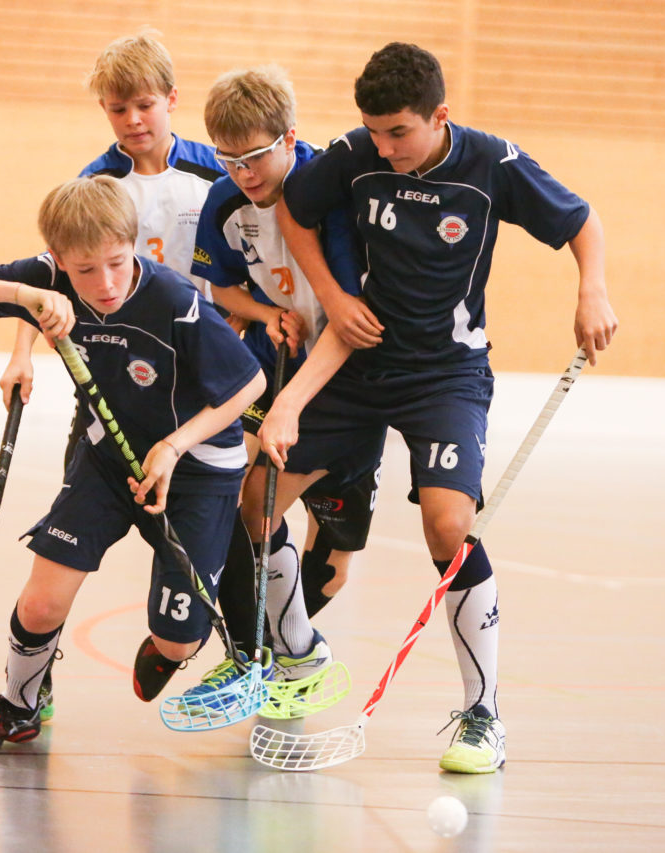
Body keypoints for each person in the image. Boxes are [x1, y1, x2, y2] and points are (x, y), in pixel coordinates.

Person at [256, 42, 618, 773]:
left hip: (444, 373)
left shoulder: (492, 166)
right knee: (256, 499)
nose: (383, 148)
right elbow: (295, 212)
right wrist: (333, 297)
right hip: (357, 361)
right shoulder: (358, 153)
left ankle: (483, 715)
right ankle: (297, 656)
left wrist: (593, 290)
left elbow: (582, 222)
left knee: (450, 525)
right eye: (374, 132)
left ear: (439, 117)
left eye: (399, 133)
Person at [0, 176, 265, 749]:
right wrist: (29, 297)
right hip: (108, 458)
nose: (103, 284)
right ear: (59, 261)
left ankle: (174, 640)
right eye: (83, 271)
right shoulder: (49, 280)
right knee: (44, 597)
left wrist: (173, 447)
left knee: (178, 638)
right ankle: (19, 703)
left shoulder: (176, 301)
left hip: (195, 468)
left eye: (117, 263)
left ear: (135, 244)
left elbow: (250, 383)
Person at [166, 65, 384, 709]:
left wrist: (294, 399)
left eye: (257, 157)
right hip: (279, 367)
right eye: (230, 161)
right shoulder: (227, 201)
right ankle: (275, 657)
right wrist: (266, 315)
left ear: (291, 136)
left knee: (331, 570)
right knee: (248, 499)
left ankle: (281, 648)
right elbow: (223, 283)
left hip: (350, 382)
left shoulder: (332, 197)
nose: (244, 174)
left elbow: (350, 318)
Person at [0, 31, 223, 414]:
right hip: (122, 353)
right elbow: (50, 271)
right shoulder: (95, 184)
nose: (133, 120)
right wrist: (22, 354)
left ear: (171, 98)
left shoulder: (217, 172)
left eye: (145, 105)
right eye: (118, 110)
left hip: (204, 346)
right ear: (104, 107)